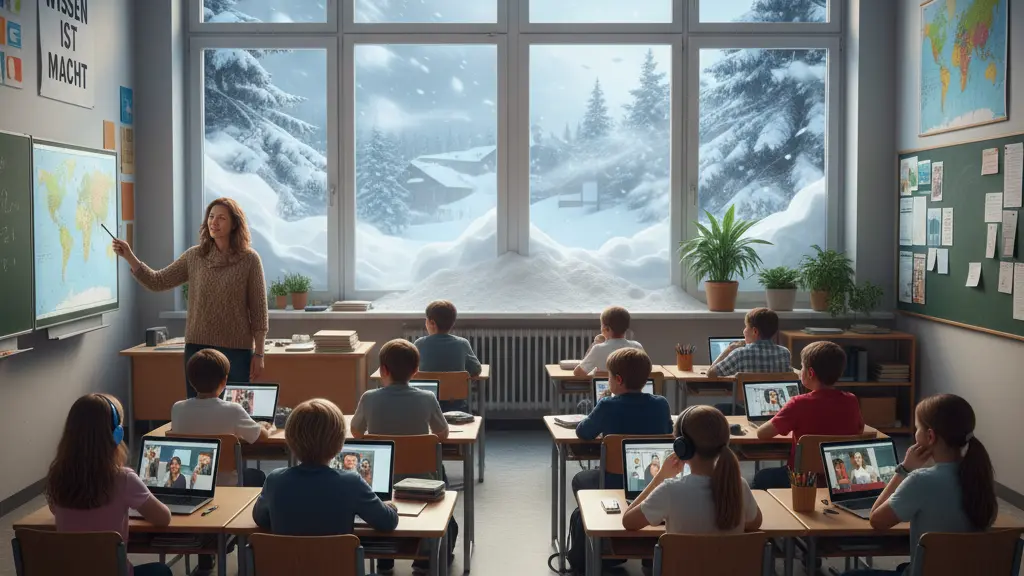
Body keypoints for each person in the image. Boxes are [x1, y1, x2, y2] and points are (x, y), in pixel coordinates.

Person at [113, 197, 269, 398]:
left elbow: (259, 312)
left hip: (237, 352)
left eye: (221, 218)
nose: (214, 222)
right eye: (211, 217)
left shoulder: (250, 259)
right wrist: (129, 256)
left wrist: (260, 353)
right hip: (198, 350)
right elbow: (158, 281)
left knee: (237, 413)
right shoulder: (194, 257)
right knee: (199, 412)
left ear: (234, 224)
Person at [842, 394, 996, 576]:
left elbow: (876, 520)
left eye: (917, 428)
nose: (915, 434)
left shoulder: (920, 480)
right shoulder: (980, 477)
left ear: (930, 436)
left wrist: (904, 470)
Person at [351, 339, 456, 574]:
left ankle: (384, 560)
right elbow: (442, 434)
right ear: (416, 371)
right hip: (422, 480)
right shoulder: (427, 398)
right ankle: (424, 559)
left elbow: (357, 432)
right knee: (443, 478)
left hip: (380, 482)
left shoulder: (369, 397)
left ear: (383, 370)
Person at [46, 394, 173, 576]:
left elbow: (54, 510)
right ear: (117, 434)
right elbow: (163, 519)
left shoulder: (57, 475)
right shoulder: (123, 478)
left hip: (70, 572)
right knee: (161, 571)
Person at [253, 399, 399, 536]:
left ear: (290, 440)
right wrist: (390, 507)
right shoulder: (351, 482)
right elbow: (388, 522)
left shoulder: (275, 480)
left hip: (287, 563)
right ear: (340, 444)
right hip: (335, 563)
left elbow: (260, 519)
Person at [622, 406, 763, 534]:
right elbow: (755, 523)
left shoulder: (669, 490)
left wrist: (660, 477)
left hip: (681, 564)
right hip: (729, 563)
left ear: (682, 447)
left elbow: (628, 521)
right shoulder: (739, 486)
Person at [752, 341, 863, 489]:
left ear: (810, 373)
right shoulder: (851, 400)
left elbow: (762, 434)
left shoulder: (798, 403)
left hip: (803, 479)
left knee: (761, 477)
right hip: (839, 477)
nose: (799, 371)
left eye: (802, 367)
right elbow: (859, 430)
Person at [573, 348, 673, 493]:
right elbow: (668, 433)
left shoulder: (607, 405)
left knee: (579, 479)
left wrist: (599, 408)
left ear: (618, 380)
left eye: (609, 377)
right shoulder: (662, 404)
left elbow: (583, 432)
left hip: (614, 481)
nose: (608, 380)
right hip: (651, 481)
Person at [172, 348, 272, 487]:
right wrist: (263, 426)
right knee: (258, 475)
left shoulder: (177, 408)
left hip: (192, 483)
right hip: (227, 483)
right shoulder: (233, 410)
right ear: (224, 380)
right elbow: (262, 437)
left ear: (190, 380)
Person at [414, 300, 482, 413]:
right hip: (455, 405)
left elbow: (412, 371)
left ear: (432, 323)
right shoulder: (462, 343)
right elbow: (476, 370)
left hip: (425, 403)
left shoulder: (419, 344)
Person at [573, 306, 643, 376]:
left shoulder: (598, 349)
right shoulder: (637, 347)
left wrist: (595, 345)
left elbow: (578, 373)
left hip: (606, 386)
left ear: (606, 329)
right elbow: (646, 370)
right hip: (631, 387)